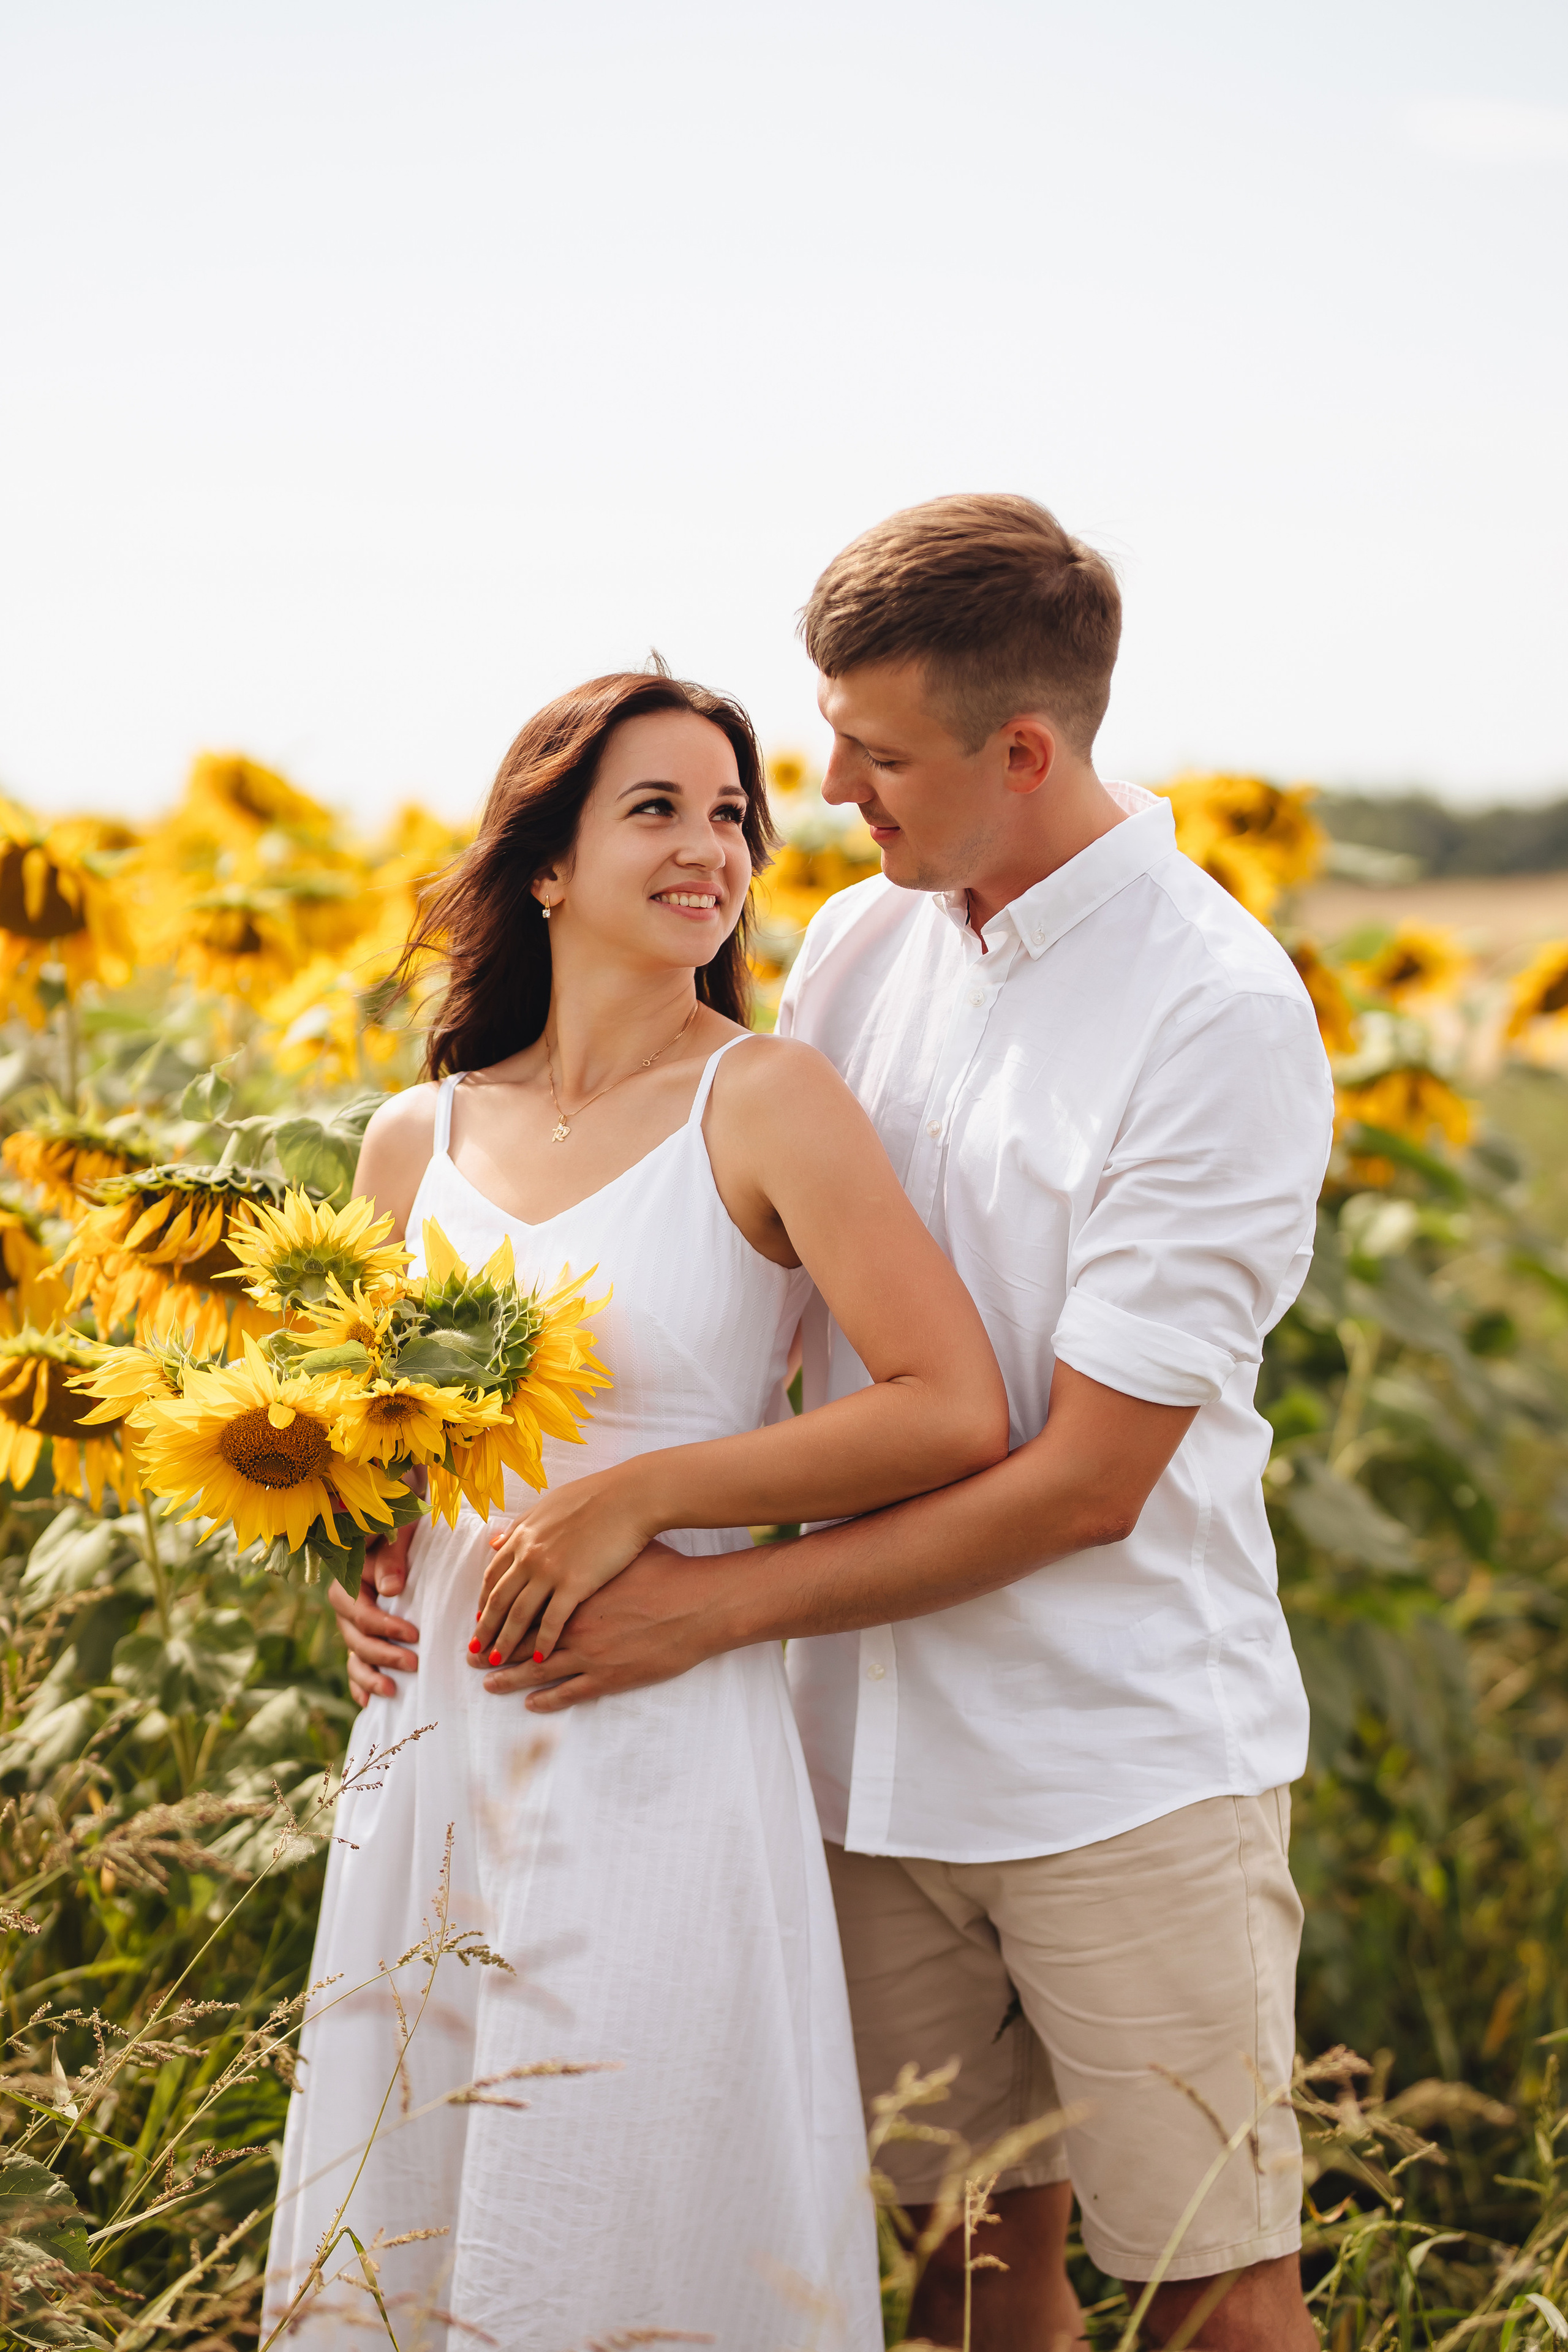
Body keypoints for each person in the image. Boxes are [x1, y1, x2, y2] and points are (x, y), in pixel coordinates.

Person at [339, 497, 1335, 2352]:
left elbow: (1085, 1485)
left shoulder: (1215, 1013)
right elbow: (696, 1286)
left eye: (870, 753)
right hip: (848, 1758)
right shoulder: (867, 951)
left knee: (1216, 2285)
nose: (821, 790)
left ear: (1020, 752)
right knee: (966, 2269)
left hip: (1112, 1753)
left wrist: (699, 1588)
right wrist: (404, 1538)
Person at [265, 665, 1012, 2351]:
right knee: (415, 2195)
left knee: (640, 2189)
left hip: (666, 1733)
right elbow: (373, 1444)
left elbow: (949, 1405)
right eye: (657, 809)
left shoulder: (764, 1099)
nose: (712, 847)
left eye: (734, 814)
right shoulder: (414, 1136)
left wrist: (644, 1498)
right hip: (432, 1743)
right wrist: (356, 1568)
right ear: (545, 862)